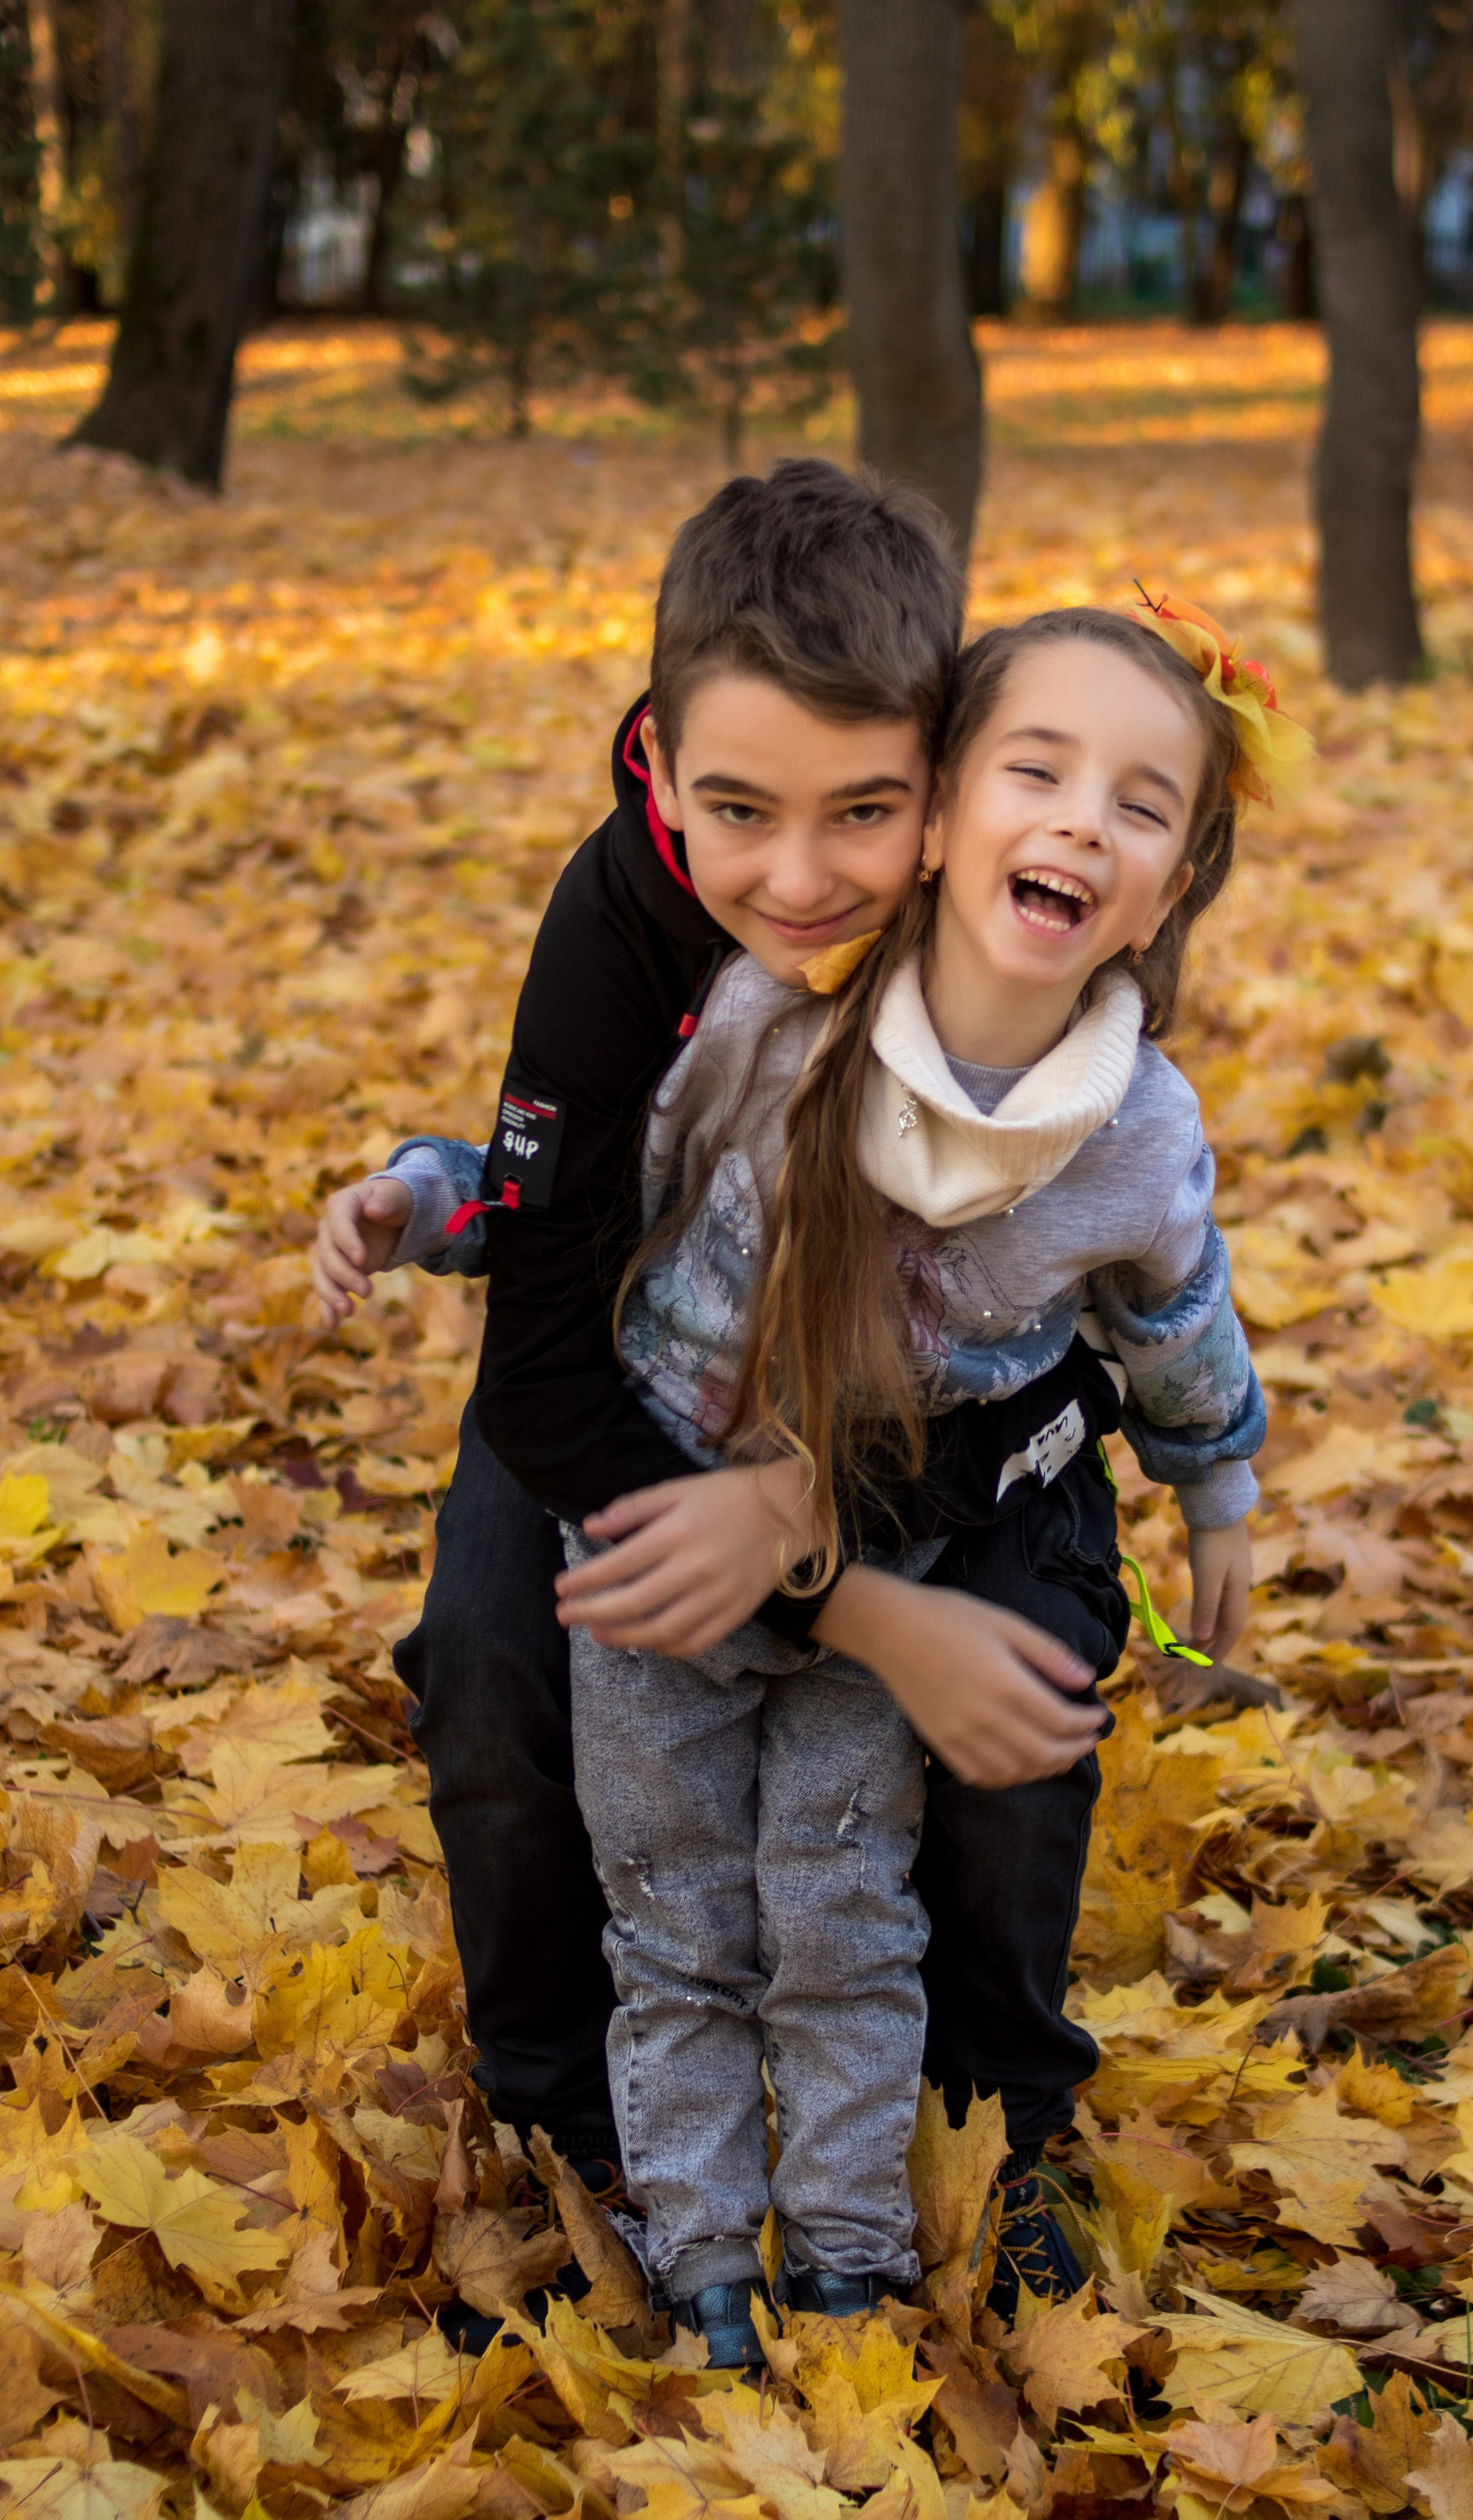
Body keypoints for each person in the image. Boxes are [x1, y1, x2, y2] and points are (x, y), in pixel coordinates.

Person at [312, 467, 1259, 2322]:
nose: (804, 881)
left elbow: (1130, 1332)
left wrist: (1185, 1482)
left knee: (1016, 1679)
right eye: (741, 811)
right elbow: (554, 1253)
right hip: (646, 1379)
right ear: (659, 769)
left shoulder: (1013, 965)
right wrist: (439, 1190)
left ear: (941, 780)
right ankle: (567, 2119)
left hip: (965, 1440)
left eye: (869, 811)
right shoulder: (648, 944)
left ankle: (996, 2113)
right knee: (499, 1659)